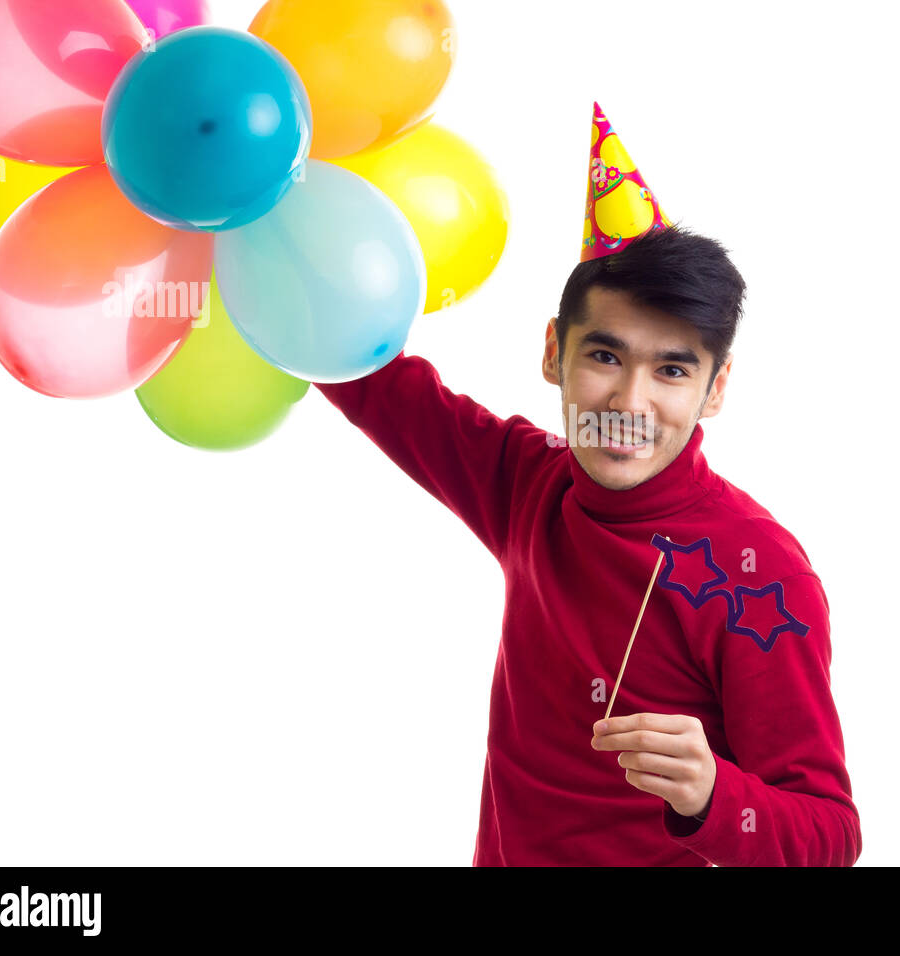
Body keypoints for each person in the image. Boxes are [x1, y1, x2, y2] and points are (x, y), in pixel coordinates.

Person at [314, 104, 861, 866]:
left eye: (672, 369)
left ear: (715, 387)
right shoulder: (527, 480)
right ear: (553, 353)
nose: (630, 403)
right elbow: (374, 381)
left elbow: (830, 838)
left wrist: (712, 794)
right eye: (605, 357)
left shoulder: (760, 575)